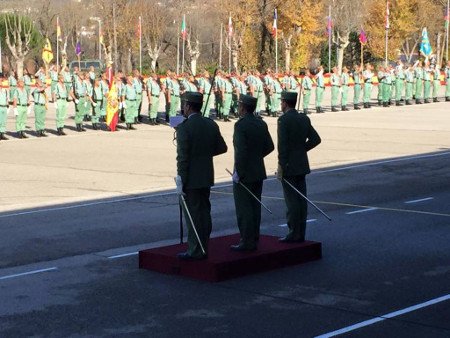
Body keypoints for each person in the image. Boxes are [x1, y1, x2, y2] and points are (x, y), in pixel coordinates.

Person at [175, 91, 228, 260]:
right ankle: (203, 244)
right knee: (204, 213)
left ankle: (195, 250)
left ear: (188, 106)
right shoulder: (210, 124)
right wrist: (204, 153)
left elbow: (183, 158)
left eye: (184, 105)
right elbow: (221, 148)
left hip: (191, 178)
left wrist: (180, 180)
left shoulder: (184, 127)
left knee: (193, 216)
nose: (183, 108)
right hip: (206, 175)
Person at [230, 94, 274, 251]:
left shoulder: (240, 126)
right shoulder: (260, 123)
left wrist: (239, 173)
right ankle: (254, 238)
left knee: (244, 209)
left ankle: (246, 241)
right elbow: (269, 146)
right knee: (255, 207)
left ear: (242, 107)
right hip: (258, 171)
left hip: (245, 174)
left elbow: (241, 153)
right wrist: (256, 157)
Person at [277, 91, 321, 243]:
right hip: (302, 164)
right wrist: (302, 150)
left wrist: (282, 166)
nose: (280, 104)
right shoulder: (304, 118)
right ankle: (301, 232)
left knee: (292, 202)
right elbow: (316, 139)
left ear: (285, 102)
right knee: (302, 200)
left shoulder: (283, 120)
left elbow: (282, 147)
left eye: (281, 101)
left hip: (289, 166)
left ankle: (293, 232)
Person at [0, 73, 9, 140]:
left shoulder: (4, 90)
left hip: (4, 107)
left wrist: (7, 105)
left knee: (3, 121)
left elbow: (6, 99)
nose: (1, 80)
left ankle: (2, 134)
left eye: (1, 79)